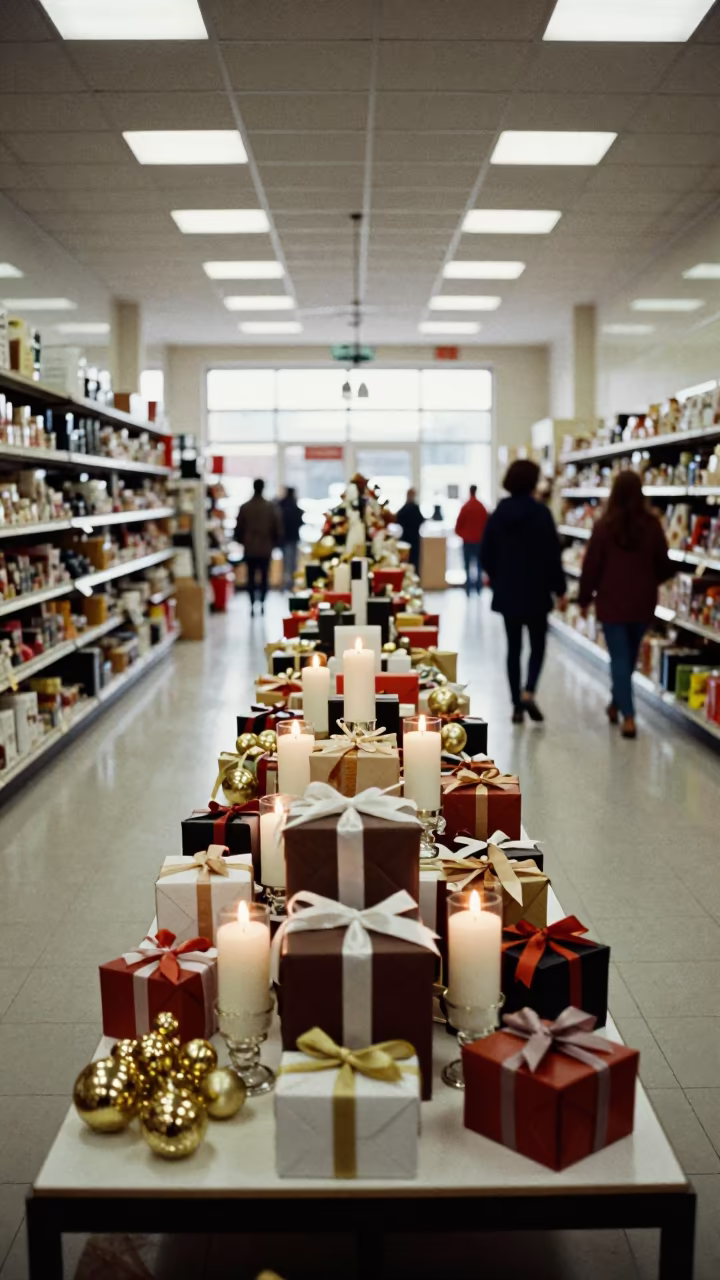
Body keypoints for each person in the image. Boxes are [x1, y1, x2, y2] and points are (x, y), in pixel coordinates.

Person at [578, 471, 674, 739]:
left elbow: (591, 567)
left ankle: (627, 715)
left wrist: (584, 598)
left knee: (620, 658)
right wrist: (650, 577)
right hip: (643, 602)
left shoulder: (604, 526)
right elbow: (664, 565)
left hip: (612, 602)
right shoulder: (652, 525)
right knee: (628, 659)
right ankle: (617, 705)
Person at [480, 459, 566, 724]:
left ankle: (515, 703)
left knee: (513, 647)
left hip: (508, 590)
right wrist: (559, 589)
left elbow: (486, 554)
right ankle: (529, 691)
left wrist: (498, 576)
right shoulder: (541, 514)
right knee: (538, 644)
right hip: (537, 591)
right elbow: (553, 555)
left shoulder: (498, 514)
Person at [234, 478, 282, 615]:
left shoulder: (245, 507)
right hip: (266, 548)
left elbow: (238, 529)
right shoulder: (270, 507)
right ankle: (262, 603)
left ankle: (251, 604)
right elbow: (277, 528)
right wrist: (275, 543)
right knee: (264, 577)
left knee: (250, 576)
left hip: (249, 548)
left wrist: (241, 541)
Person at [455, 484, 488, 596]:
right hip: (479, 541)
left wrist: (464, 535)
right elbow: (487, 525)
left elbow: (458, 526)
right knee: (479, 566)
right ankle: (479, 589)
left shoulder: (466, 507)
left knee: (467, 566)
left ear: (470, 491)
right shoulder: (481, 507)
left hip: (468, 541)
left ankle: (468, 589)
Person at [277, 486, 304, 590]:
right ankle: (290, 583)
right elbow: (300, 522)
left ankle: (285, 583)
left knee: (285, 562)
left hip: (284, 539)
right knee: (292, 563)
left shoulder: (281, 505)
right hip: (293, 538)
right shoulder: (295, 507)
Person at [395, 487, 424, 571]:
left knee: (413, 562)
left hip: (412, 539)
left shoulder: (412, 507)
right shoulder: (408, 507)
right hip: (408, 539)